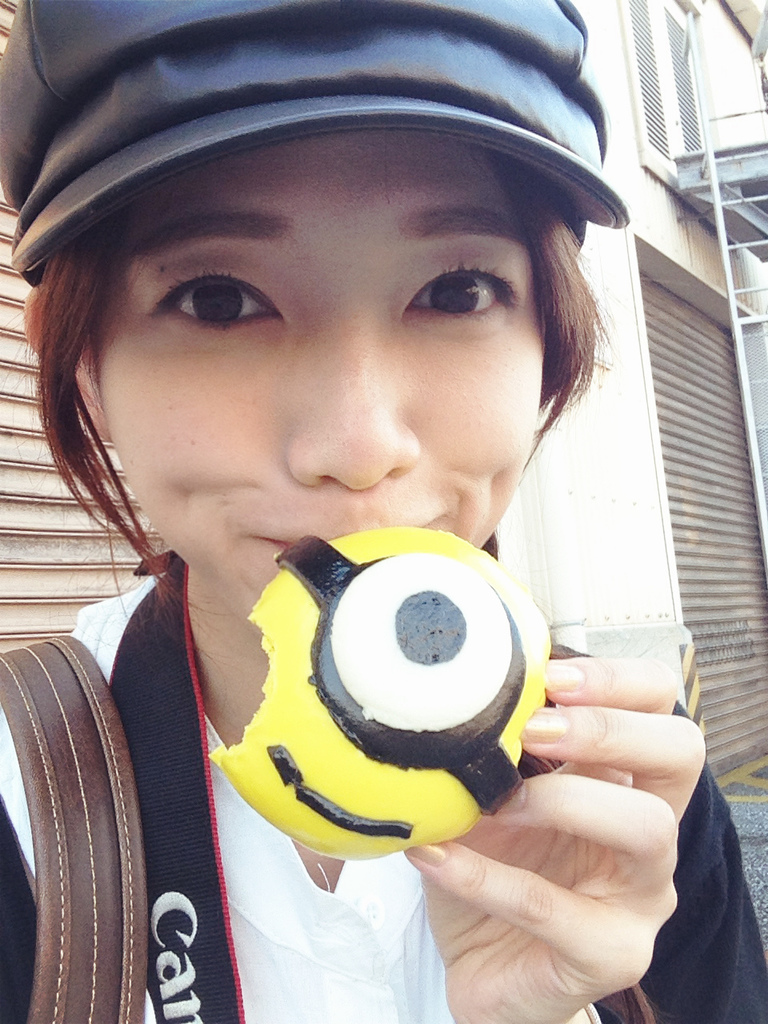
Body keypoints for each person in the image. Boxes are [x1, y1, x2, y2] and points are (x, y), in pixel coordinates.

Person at [0, 2, 765, 1023]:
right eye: (219, 300)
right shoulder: (19, 804)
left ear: (548, 340)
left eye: (457, 291)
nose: (359, 446)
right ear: (83, 367)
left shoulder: (627, 780)